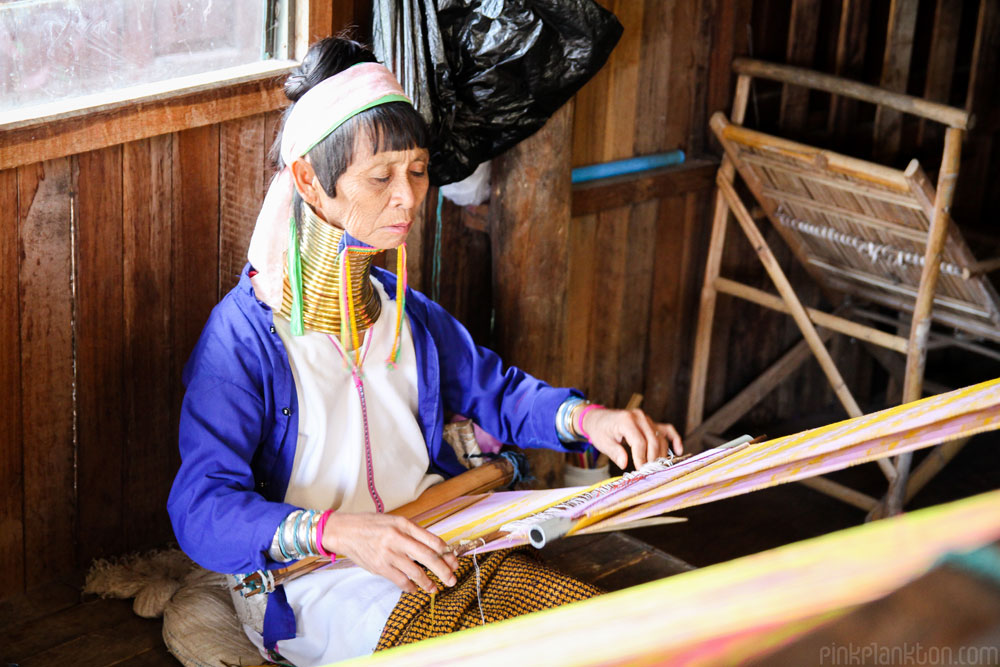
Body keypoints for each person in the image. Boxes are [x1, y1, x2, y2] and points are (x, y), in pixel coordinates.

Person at [167, 37, 682, 666]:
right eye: (380, 177)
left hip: (443, 543)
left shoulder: (402, 312)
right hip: (319, 582)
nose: (409, 197)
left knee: (600, 636)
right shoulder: (244, 339)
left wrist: (587, 420)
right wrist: (339, 532)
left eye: (416, 171)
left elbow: (496, 390)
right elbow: (200, 507)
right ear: (308, 179)